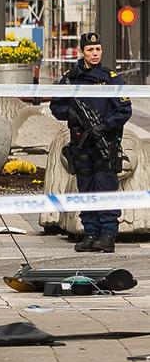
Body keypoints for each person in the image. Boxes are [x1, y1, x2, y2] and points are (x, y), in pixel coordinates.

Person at [50, 32, 132, 253]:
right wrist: (73, 116)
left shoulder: (110, 78)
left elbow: (125, 109)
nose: (95, 54)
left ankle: (107, 235)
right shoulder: (70, 79)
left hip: (105, 143)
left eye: (98, 50)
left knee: (105, 188)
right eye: (90, 50)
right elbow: (56, 107)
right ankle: (90, 233)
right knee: (85, 188)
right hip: (82, 145)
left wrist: (105, 126)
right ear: (82, 52)